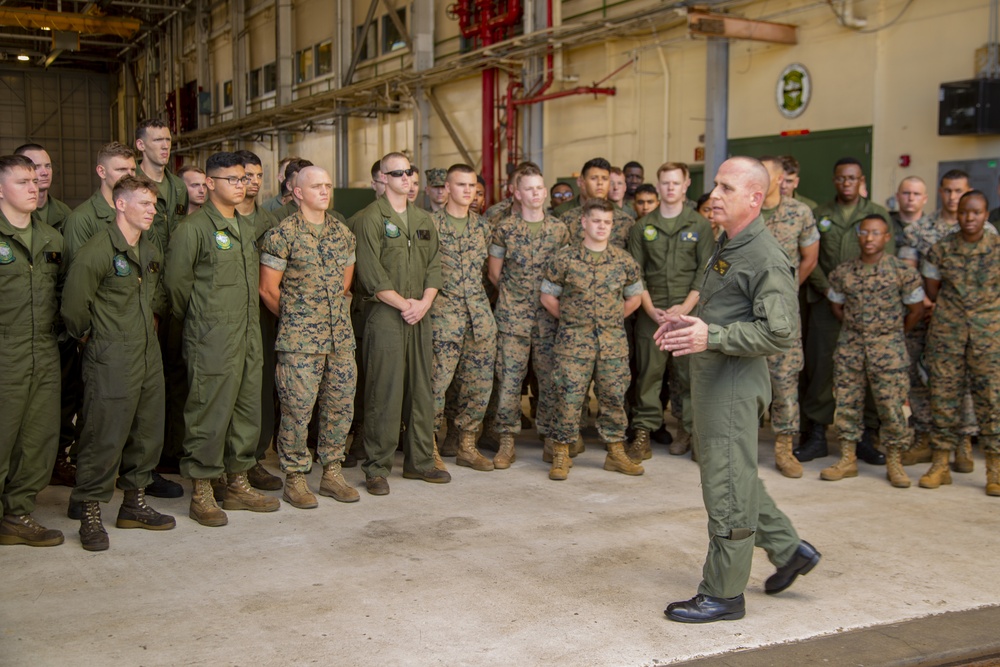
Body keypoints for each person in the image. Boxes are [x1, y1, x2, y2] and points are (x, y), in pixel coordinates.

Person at [656, 156, 819, 623]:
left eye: (726, 188)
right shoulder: (730, 243)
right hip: (714, 379)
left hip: (733, 385)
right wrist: (690, 324)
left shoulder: (765, 256)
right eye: (715, 187)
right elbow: (724, 308)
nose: (714, 197)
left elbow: (779, 332)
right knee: (734, 472)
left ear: (753, 197)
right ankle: (788, 551)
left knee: (726, 485)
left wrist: (713, 337)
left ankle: (724, 593)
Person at [164, 151, 280, 526]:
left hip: (247, 333)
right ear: (210, 184)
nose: (241, 185)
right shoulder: (192, 230)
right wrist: (204, 322)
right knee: (208, 412)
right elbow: (177, 289)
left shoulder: (247, 229)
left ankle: (237, 482)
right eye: (232, 179)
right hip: (211, 335)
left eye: (244, 179)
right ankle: (202, 489)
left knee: (247, 410)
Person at [62, 176, 176, 550]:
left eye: (154, 204)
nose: (152, 210)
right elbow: (74, 308)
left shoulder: (149, 247)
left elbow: (157, 294)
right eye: (144, 203)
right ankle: (90, 510)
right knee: (103, 435)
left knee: (147, 432)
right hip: (111, 356)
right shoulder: (97, 251)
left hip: (147, 354)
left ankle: (134, 503)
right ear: (120, 204)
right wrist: (91, 339)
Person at [259, 166, 359, 508]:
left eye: (328, 185)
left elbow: (345, 283)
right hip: (300, 342)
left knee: (339, 407)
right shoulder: (281, 234)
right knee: (297, 410)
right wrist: (298, 321)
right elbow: (268, 289)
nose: (324, 191)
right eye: (316, 186)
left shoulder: (343, 234)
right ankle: (296, 478)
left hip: (340, 340)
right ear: (297, 192)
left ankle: (332, 473)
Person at [354, 152, 448, 494]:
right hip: (385, 316)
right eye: (398, 173)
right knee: (385, 391)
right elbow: (369, 272)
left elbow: (435, 266)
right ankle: (377, 467)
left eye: (410, 172)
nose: (407, 179)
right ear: (383, 177)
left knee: (422, 389)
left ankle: (420, 462)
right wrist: (402, 304)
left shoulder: (423, 219)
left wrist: (423, 302)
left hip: (419, 314)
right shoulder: (370, 219)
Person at [540, 198, 645, 480]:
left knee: (613, 397)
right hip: (573, 342)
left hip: (612, 344)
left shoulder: (623, 261)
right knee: (568, 397)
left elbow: (635, 297)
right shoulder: (565, 258)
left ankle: (615, 452)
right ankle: (561, 451)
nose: (602, 226)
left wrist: (609, 319)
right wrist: (573, 319)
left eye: (607, 222)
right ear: (583, 222)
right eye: (596, 220)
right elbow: (548, 296)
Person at [798, 157, 891, 464]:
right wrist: (830, 291)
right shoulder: (820, 214)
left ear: (860, 180)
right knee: (821, 369)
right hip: (825, 304)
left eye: (852, 178)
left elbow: (883, 259)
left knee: (866, 370)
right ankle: (816, 435)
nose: (846, 183)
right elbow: (810, 258)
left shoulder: (876, 214)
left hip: (866, 308)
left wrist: (856, 294)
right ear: (835, 180)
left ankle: (864, 436)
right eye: (841, 178)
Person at [823, 214, 924, 487]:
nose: (869, 238)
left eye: (876, 233)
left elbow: (916, 310)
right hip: (851, 347)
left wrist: (893, 333)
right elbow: (836, 305)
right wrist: (855, 328)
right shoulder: (843, 272)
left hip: (888, 348)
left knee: (891, 407)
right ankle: (847, 459)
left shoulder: (902, 272)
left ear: (887, 237)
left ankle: (894, 462)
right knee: (846, 404)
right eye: (865, 232)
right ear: (858, 235)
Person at [898, 172, 988, 468]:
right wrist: (927, 303)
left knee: (961, 380)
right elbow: (908, 273)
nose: (952, 197)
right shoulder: (918, 229)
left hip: (967, 323)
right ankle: (924, 435)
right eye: (947, 191)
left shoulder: (987, 231)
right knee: (918, 377)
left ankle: (962, 440)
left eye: (958, 191)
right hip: (923, 316)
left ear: (968, 191)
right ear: (939, 192)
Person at [627, 162, 713, 462]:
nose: (670, 188)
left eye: (676, 183)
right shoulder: (642, 227)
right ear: (658, 184)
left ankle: (689, 431)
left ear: (686, 184)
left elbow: (706, 271)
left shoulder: (700, 225)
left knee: (689, 376)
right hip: (652, 313)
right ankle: (643, 432)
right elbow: (636, 274)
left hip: (688, 314)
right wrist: (651, 311)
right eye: (665, 183)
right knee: (649, 375)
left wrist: (685, 308)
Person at [0, 154, 65, 548]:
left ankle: (17, 514)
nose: (34, 186)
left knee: (38, 438)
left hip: (43, 349)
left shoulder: (51, 239)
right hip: (4, 351)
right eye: (23, 181)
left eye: (35, 181)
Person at [488, 164, 570, 467]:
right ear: (517, 193)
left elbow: (563, 274)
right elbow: (495, 274)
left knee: (549, 378)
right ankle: (507, 441)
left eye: (540, 188)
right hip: (513, 317)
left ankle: (550, 439)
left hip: (549, 318)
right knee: (509, 379)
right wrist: (517, 297)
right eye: (529, 189)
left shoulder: (559, 230)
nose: (536, 194)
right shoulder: (505, 228)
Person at [919, 190, 1000, 496]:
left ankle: (994, 468)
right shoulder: (942, 248)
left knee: (991, 399)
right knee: (943, 395)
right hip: (948, 331)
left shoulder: (997, 247)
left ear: (986, 215)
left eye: (976, 213)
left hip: (988, 333)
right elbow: (933, 286)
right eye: (965, 212)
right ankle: (940, 464)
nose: (969, 218)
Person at [429, 164, 497, 471]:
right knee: (435, 385)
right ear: (446, 188)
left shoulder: (483, 227)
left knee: (478, 385)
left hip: (479, 318)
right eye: (461, 185)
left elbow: (488, 273)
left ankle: (466, 445)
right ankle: (428, 447)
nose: (468, 191)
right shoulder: (429, 225)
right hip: (443, 316)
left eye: (472, 185)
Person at [758, 156, 819, 478]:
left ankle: (784, 447)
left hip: (782, 313)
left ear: (781, 179)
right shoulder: (745, 211)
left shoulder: (799, 213)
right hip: (745, 312)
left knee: (784, 379)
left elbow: (810, 256)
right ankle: (739, 445)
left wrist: (786, 289)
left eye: (764, 175)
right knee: (743, 379)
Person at [234, 149, 282, 491]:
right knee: (227, 392)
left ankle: (253, 460)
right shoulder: (218, 221)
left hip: (264, 317)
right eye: (245, 176)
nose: (252, 182)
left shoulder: (269, 223)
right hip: (227, 319)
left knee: (262, 389)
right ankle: (226, 465)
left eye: (257, 176)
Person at [134, 119, 188, 253]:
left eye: (168, 140)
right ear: (141, 145)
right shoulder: (130, 184)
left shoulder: (179, 187)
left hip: (173, 267)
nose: (165, 146)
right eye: (157, 140)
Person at [557, 157, 635, 249]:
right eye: (594, 178)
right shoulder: (567, 220)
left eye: (605, 178)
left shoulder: (626, 221)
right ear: (583, 182)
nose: (600, 183)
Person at [14, 144, 72, 234]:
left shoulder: (64, 211)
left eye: (48, 166)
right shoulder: (10, 211)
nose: (45, 172)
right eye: (36, 167)